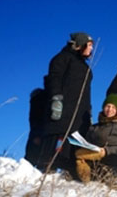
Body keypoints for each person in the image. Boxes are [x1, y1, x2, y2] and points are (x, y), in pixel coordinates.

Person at [38, 32, 94, 177]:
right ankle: (47, 170)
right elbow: (53, 78)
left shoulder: (86, 68)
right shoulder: (62, 58)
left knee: (72, 147)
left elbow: (86, 93)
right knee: (56, 142)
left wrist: (88, 111)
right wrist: (56, 98)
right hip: (62, 109)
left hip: (78, 115)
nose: (91, 49)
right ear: (80, 45)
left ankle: (67, 173)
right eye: (89, 45)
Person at [75, 94, 117, 189]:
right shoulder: (94, 127)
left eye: (113, 107)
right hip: (97, 159)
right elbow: (86, 144)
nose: (110, 109)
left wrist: (107, 151)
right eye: (108, 106)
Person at [24, 81, 48, 166]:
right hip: (39, 129)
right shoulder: (40, 100)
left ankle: (29, 166)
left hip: (37, 128)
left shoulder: (36, 100)